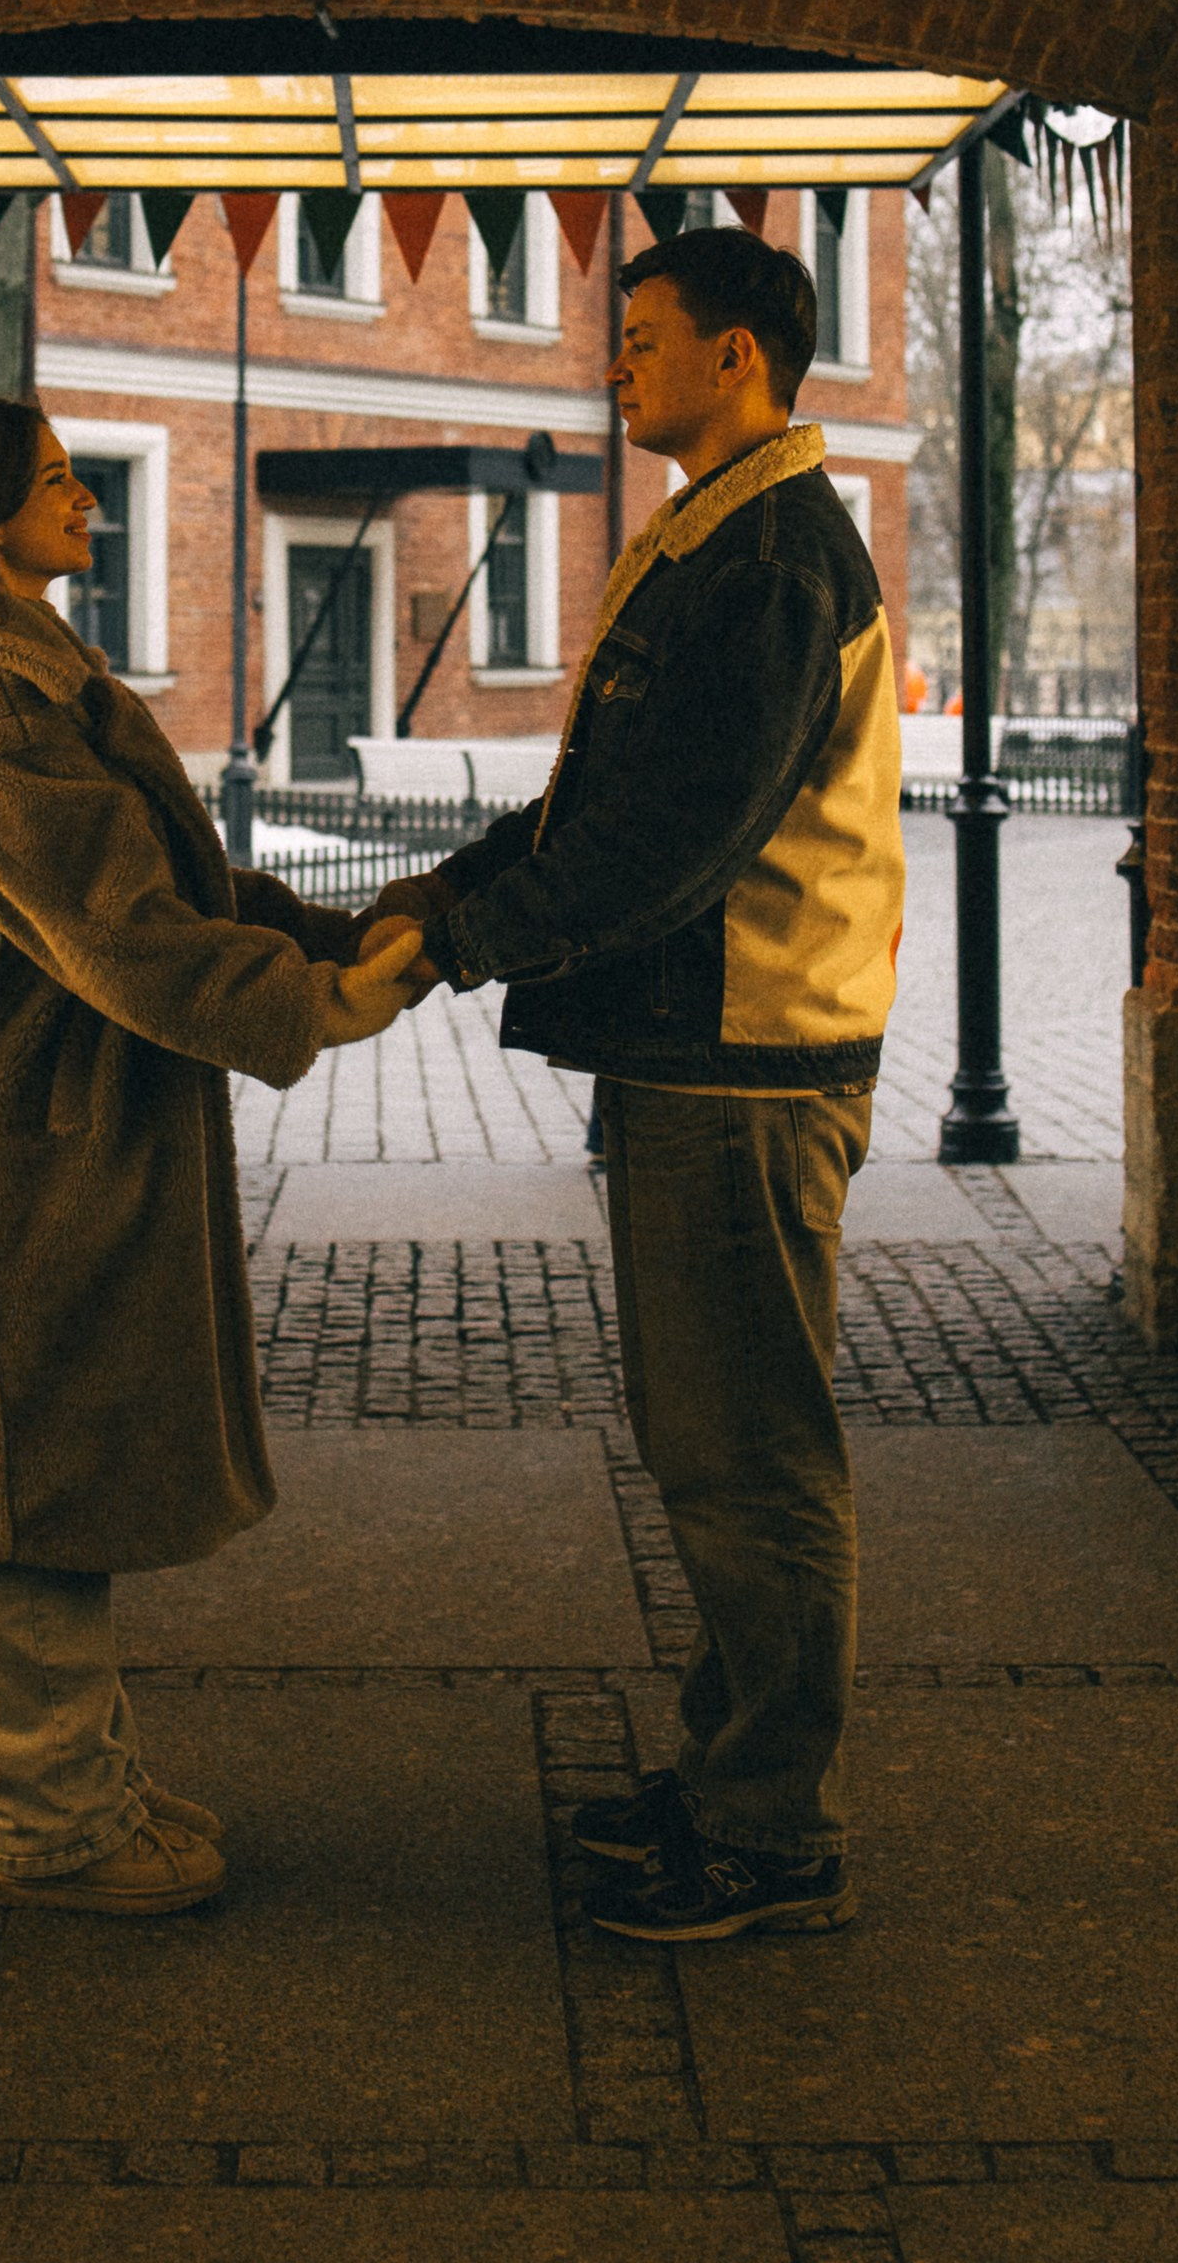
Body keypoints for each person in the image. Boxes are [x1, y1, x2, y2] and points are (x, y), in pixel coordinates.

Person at [377, 225, 903, 1942]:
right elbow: (603, 802)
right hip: (710, 1054)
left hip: (748, 1062)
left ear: (738, 355)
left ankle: (776, 1833)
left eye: (647, 336)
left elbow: (669, 847)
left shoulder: (765, 558)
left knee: (746, 1453)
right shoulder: (721, 535)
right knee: (715, 1439)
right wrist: (443, 899)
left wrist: (460, 946)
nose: (617, 364)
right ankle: (739, 1760)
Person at [0, 398, 425, 1918]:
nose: (85, 499)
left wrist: (314, 932)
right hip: (18, 1136)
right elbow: (126, 930)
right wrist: (319, 996)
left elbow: (164, 873)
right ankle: (49, 1819)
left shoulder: (32, 668)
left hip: (60, 1118)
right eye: (52, 484)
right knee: (22, 1466)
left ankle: (79, 1771)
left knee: (67, 1446)